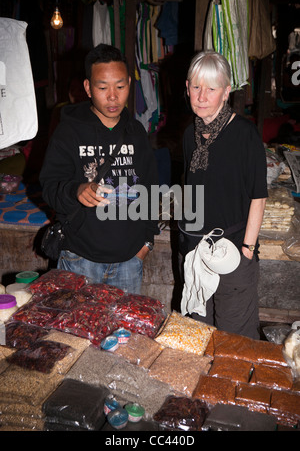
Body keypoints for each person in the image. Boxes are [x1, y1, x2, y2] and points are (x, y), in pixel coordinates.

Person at [40, 43, 159, 294]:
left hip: (129, 262)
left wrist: (145, 245)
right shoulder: (68, 132)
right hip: (80, 261)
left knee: (124, 333)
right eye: (103, 87)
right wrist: (76, 190)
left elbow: (151, 190)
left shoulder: (136, 133)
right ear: (88, 88)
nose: (113, 96)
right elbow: (49, 188)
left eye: (120, 86)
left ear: (129, 83)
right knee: (75, 333)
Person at [179, 50, 268, 339]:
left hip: (233, 251)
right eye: (196, 87)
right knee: (198, 335)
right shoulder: (188, 135)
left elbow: (258, 196)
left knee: (234, 342)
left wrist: (247, 250)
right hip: (196, 253)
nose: (201, 96)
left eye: (211, 89)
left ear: (226, 91)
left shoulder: (245, 135)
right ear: (188, 88)